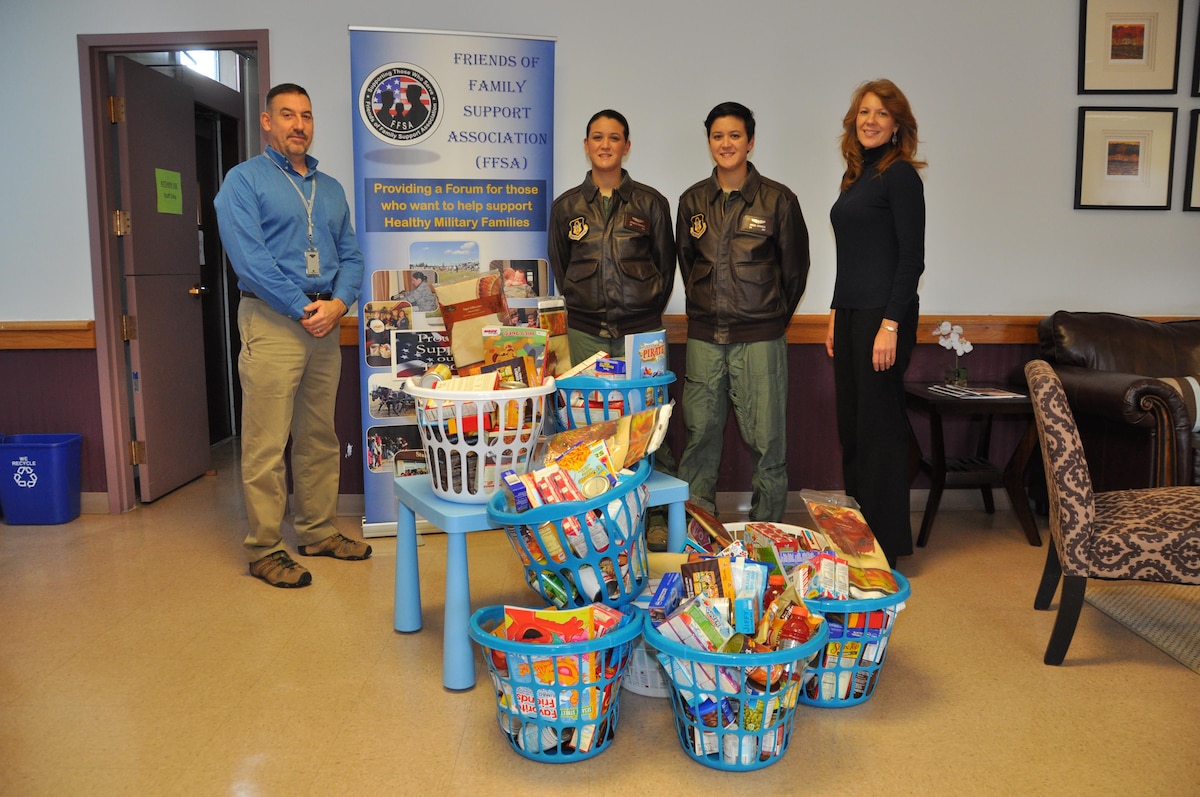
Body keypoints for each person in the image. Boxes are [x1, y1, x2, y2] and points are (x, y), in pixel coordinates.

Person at [214, 83, 371, 588]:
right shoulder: (243, 182)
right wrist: (304, 307)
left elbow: (351, 254)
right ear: (266, 122)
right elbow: (250, 260)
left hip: (324, 322)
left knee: (319, 436)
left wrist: (340, 303)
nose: (298, 124)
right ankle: (264, 547)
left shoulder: (331, 189)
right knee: (266, 441)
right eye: (286, 114)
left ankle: (318, 530)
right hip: (273, 319)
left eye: (305, 115)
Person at [675, 102, 810, 522]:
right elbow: (686, 263)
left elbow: (795, 272)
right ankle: (699, 529)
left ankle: (766, 532)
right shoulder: (692, 200)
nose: (726, 143)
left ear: (750, 142)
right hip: (704, 340)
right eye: (718, 136)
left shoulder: (778, 200)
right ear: (709, 142)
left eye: (735, 135)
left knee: (768, 441)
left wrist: (766, 320)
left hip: (760, 340)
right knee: (699, 437)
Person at [826, 79, 927, 568]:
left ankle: (887, 543)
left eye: (881, 113)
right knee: (853, 428)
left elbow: (911, 260)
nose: (870, 120)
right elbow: (854, 257)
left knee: (879, 431)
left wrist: (890, 324)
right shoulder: (855, 177)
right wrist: (833, 312)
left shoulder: (901, 175)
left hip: (883, 318)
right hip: (850, 313)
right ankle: (858, 538)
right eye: (864, 112)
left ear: (897, 124)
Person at [548, 109, 675, 365]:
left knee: (643, 405)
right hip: (585, 332)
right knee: (588, 405)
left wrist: (643, 313)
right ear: (586, 145)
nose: (605, 145)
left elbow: (666, 269)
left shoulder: (651, 203)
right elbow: (562, 269)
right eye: (597, 138)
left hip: (642, 332)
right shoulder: (565, 207)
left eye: (614, 138)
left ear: (626, 146)